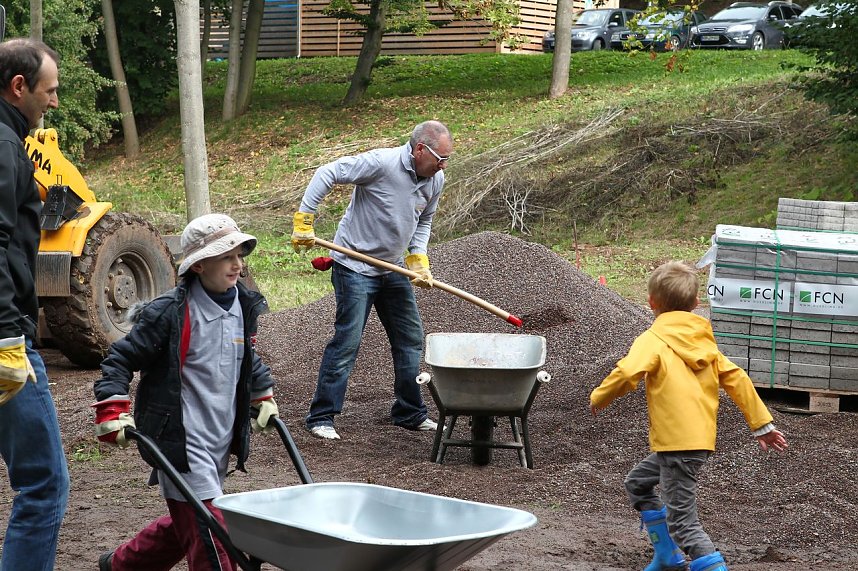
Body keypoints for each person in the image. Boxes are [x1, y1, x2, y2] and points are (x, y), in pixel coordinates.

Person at [93, 213, 279, 571]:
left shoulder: (242, 305)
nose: (238, 265)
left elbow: (245, 358)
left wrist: (262, 393)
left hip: (219, 437)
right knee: (213, 536)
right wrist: (113, 408)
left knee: (192, 518)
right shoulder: (171, 313)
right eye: (226, 257)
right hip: (182, 441)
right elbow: (120, 359)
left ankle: (121, 565)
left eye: (239, 255)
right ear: (199, 265)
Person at [589, 261, 788, 571]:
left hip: (676, 445)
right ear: (696, 302)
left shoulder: (653, 339)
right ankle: (667, 556)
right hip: (694, 442)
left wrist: (599, 397)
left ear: (651, 302)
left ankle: (712, 566)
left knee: (683, 523)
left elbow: (627, 372)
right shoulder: (704, 342)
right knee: (638, 483)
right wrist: (762, 424)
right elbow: (737, 378)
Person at [292, 120, 452, 440]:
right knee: (347, 342)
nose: (443, 165)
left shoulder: (435, 179)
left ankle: (409, 412)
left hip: (393, 269)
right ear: (420, 149)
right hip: (354, 266)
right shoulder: (381, 163)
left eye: (447, 159)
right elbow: (327, 172)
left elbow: (424, 221)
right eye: (440, 158)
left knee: (410, 339)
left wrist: (418, 258)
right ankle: (321, 416)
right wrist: (305, 219)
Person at [0, 38, 69, 571]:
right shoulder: (4, 146)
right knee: (44, 482)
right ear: (18, 86)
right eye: (49, 91)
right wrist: (7, 336)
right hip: (5, 339)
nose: (54, 101)